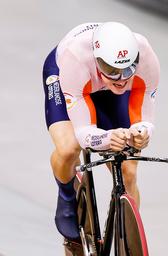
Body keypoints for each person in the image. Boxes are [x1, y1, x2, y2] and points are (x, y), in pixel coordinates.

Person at [42, 21, 160, 242]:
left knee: (129, 170)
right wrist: (107, 137)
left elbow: (145, 117)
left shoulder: (145, 55)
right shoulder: (75, 59)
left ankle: (127, 236)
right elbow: (83, 132)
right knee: (68, 148)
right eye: (112, 71)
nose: (121, 79)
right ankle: (66, 194)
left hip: (99, 83)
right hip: (70, 78)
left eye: (128, 69)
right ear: (98, 61)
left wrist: (141, 132)